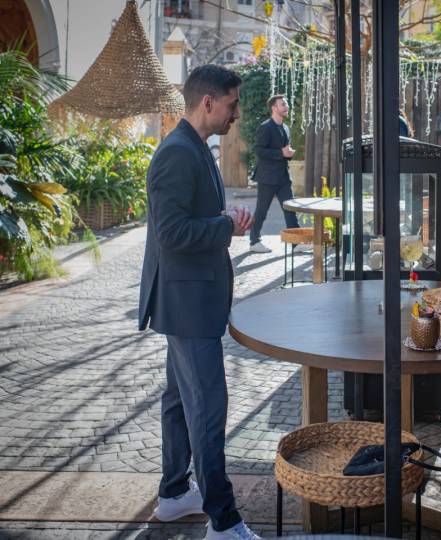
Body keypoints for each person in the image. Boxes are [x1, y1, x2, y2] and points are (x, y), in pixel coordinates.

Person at [138, 64, 261, 540]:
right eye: (231, 104)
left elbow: (188, 220)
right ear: (207, 102)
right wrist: (226, 225)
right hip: (188, 306)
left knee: (178, 401)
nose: (236, 114)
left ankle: (173, 495)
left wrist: (223, 218)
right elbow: (170, 235)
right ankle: (224, 521)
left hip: (189, 302)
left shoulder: (195, 147)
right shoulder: (176, 153)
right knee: (207, 408)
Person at [248, 94, 301, 253]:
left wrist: (288, 153)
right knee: (262, 210)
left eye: (286, 103)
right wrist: (281, 153)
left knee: (290, 208)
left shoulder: (285, 128)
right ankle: (254, 241)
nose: (286, 106)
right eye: (283, 104)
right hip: (267, 177)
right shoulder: (265, 127)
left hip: (283, 177)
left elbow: (283, 151)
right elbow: (259, 151)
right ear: (274, 108)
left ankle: (296, 243)